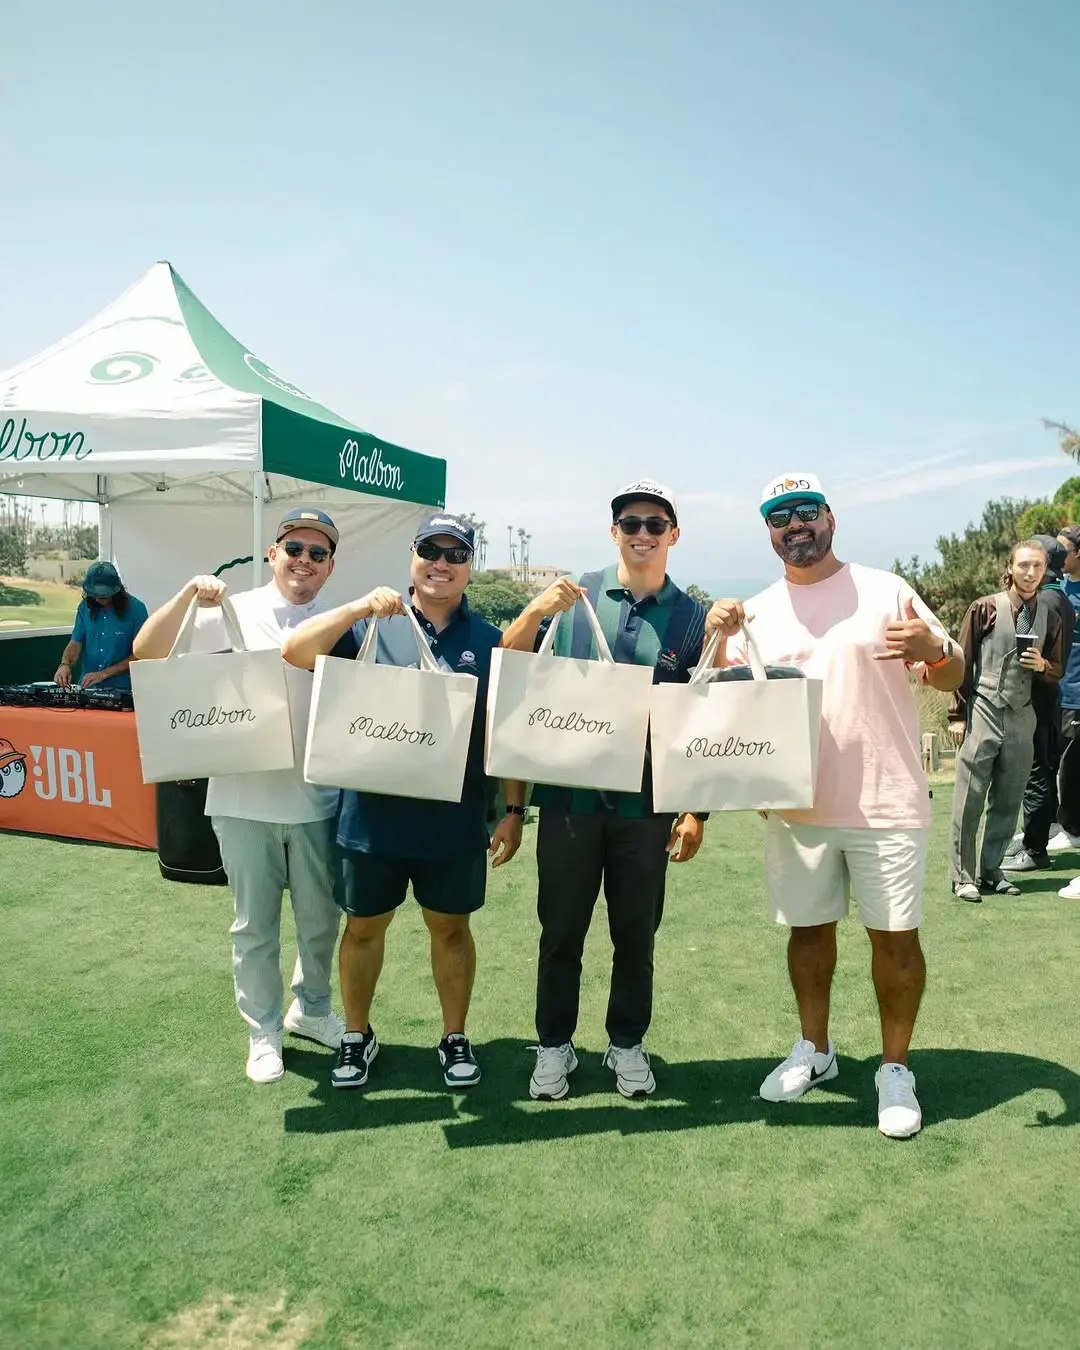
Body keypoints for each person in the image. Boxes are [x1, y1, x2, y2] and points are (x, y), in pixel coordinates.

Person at [707, 471, 963, 1140]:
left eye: (806, 511)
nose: (795, 524)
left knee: (896, 940)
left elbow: (949, 672)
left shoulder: (886, 589)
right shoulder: (754, 610)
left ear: (831, 518)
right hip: (797, 808)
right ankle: (816, 1051)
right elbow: (728, 708)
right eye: (780, 516)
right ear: (768, 530)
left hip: (887, 800)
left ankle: (895, 1068)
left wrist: (937, 652)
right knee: (809, 933)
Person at [281, 513, 526, 1091]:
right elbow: (295, 651)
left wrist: (513, 811)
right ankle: (356, 1036)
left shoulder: (487, 640)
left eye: (455, 554)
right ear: (413, 557)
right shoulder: (372, 625)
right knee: (363, 929)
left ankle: (454, 1036)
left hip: (454, 819)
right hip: (370, 819)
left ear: (469, 567)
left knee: (451, 929)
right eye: (430, 551)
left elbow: (503, 732)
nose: (441, 563)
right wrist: (359, 608)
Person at [501, 478, 708, 1102]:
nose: (641, 533)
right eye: (629, 522)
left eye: (654, 524)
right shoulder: (574, 597)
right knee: (560, 934)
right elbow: (507, 667)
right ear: (613, 530)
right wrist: (538, 608)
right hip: (568, 804)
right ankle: (554, 1046)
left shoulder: (692, 615)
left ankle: (626, 1044)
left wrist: (695, 808)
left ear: (673, 534)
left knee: (635, 937)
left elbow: (702, 718)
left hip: (645, 810)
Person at [132, 508, 347, 1083]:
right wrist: (186, 594)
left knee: (321, 922)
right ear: (273, 553)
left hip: (317, 799)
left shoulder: (340, 621)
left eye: (317, 553)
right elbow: (147, 653)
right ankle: (264, 1032)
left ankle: (314, 1009)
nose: (304, 560)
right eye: (294, 548)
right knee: (254, 927)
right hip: (240, 799)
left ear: (330, 567)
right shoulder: (229, 610)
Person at [949, 540, 1064, 901]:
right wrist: (957, 715)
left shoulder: (1052, 616)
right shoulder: (984, 608)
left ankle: (992, 870)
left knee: (1009, 798)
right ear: (1010, 567)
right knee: (970, 798)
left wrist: (1044, 667)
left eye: (1038, 567)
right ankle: (962, 875)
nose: (1031, 574)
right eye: (1024, 566)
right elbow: (961, 663)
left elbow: (1057, 668)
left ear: (1045, 572)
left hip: (1022, 714)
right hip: (983, 706)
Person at [1004, 535, 1075, 871]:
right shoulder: (1060, 596)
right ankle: (1038, 839)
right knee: (1044, 770)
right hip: (1050, 697)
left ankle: (1034, 849)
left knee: (1036, 774)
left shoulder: (1044, 601)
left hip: (1038, 699)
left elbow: (1027, 656)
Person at [54, 561, 148, 690]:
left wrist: (104, 674)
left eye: (104, 596)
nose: (98, 599)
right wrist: (64, 664)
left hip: (123, 689)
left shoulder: (137, 609)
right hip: (88, 687)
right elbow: (75, 643)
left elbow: (140, 655)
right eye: (94, 594)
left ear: (117, 589)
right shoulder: (84, 607)